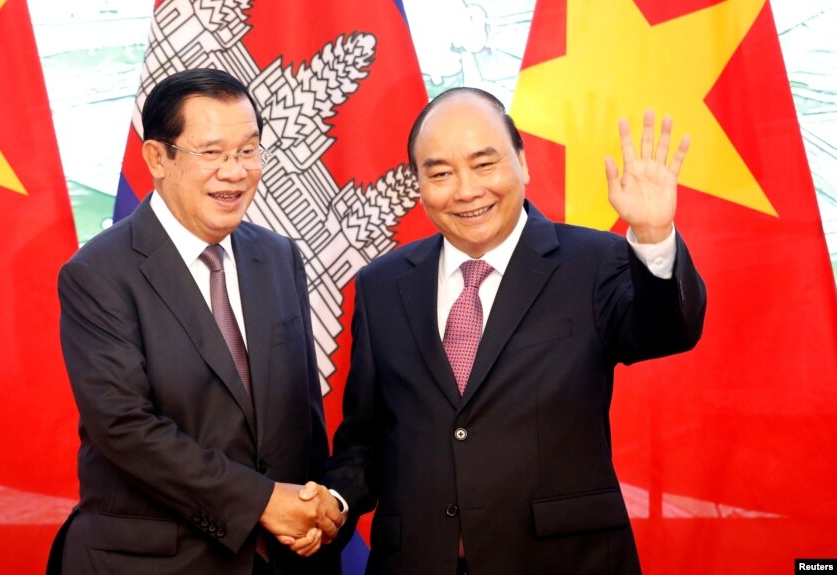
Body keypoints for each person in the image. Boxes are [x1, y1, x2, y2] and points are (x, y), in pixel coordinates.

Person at [321, 87, 707, 574]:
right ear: (418, 184)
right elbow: (367, 441)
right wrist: (332, 503)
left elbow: (668, 330)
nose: (465, 190)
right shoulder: (382, 285)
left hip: (565, 561)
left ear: (522, 164)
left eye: (484, 165)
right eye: (440, 173)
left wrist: (653, 237)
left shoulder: (593, 262)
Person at [47, 68, 341, 575]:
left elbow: (302, 416)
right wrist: (263, 502)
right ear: (157, 158)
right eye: (212, 153)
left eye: (248, 151)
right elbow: (124, 428)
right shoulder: (97, 273)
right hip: (155, 562)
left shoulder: (276, 257)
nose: (235, 171)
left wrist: (316, 510)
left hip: (283, 558)